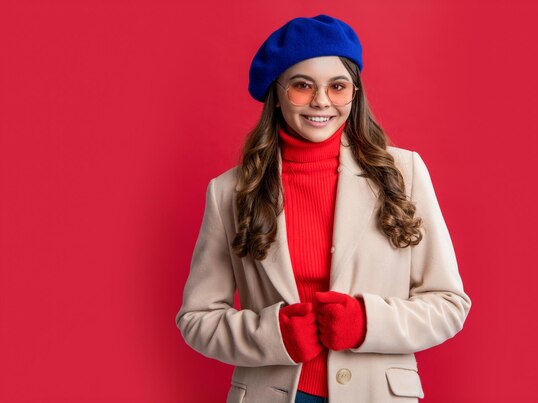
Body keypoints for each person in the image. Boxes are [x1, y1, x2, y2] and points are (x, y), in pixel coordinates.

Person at [175, 14, 471, 403]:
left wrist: (367, 322)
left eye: (338, 86)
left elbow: (449, 305)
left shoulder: (405, 173)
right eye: (302, 86)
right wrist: (271, 334)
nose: (321, 101)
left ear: (355, 93)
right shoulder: (228, 192)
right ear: (276, 93)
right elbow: (196, 319)